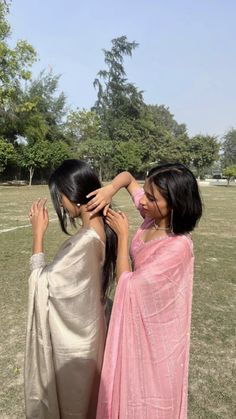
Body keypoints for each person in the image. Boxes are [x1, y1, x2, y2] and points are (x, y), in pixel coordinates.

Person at [86, 163, 202, 419]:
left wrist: (123, 236)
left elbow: (129, 285)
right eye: (146, 193)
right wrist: (110, 190)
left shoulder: (177, 246)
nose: (144, 201)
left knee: (150, 391)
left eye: (152, 198)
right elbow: (128, 178)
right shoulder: (152, 216)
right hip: (137, 318)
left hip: (159, 333)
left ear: (173, 204)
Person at [24, 159, 117, 419]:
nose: (61, 206)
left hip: (77, 344)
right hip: (91, 332)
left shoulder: (86, 241)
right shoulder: (100, 229)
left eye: (60, 198)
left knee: (76, 405)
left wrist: (38, 235)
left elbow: (44, 285)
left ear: (72, 195)